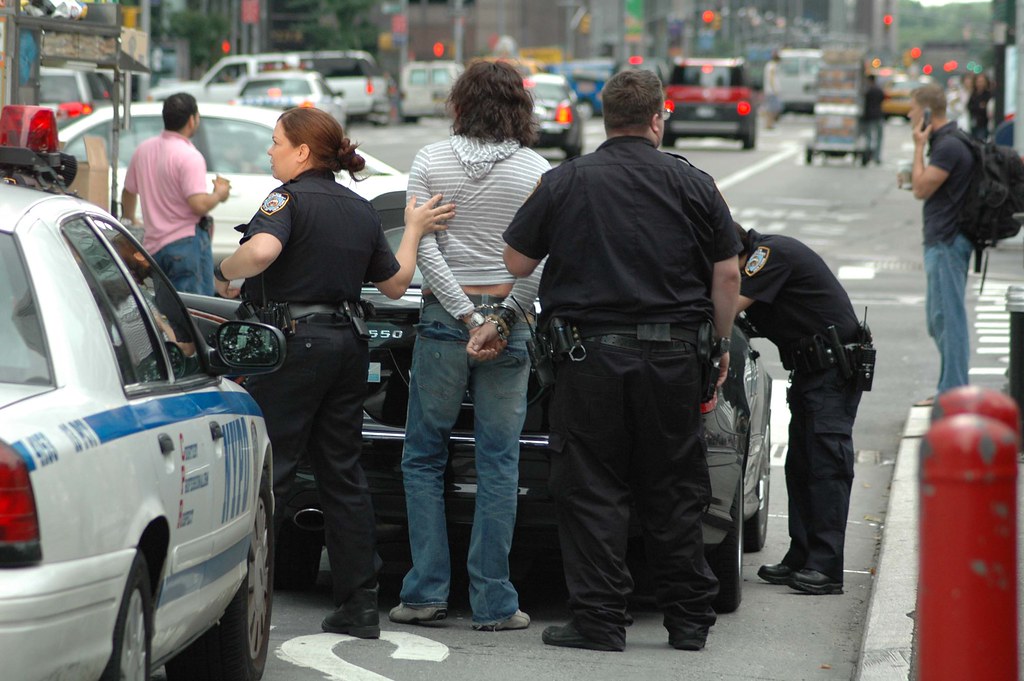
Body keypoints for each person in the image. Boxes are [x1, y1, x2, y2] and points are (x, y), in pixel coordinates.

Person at [503, 68, 741, 652]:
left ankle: (600, 621)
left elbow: (514, 261)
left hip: (590, 359)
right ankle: (688, 621)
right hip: (675, 358)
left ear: (604, 118)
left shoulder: (566, 180)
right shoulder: (696, 184)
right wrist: (718, 345)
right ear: (658, 117)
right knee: (675, 487)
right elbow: (728, 273)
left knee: (591, 488)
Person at [213, 107, 453, 639]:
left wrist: (224, 271)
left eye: (275, 143)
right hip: (349, 346)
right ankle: (360, 603)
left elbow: (263, 250)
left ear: (302, 152)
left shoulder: (286, 200)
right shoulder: (359, 208)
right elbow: (396, 285)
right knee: (343, 474)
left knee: (268, 469)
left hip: (294, 347)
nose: (269, 151)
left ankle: (231, 596)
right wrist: (412, 230)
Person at [388, 59, 550, 633]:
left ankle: (426, 591)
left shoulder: (430, 160)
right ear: (519, 108)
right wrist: (501, 317)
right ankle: (494, 601)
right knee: (499, 460)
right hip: (510, 324)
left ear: (460, 103)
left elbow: (422, 245)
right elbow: (540, 256)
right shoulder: (536, 169)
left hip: (441, 320)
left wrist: (462, 312)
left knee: (424, 453)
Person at [734, 223, 866, 595]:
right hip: (812, 372)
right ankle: (803, 554)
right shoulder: (761, 258)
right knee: (802, 464)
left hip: (831, 371)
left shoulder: (767, 257)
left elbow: (728, 307)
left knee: (826, 466)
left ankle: (826, 568)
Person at [902, 83, 974, 400]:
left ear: (928, 113)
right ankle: (950, 385)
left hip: (948, 241)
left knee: (948, 318)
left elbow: (921, 189)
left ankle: (954, 390)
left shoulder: (948, 146)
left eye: (913, 109)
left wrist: (918, 146)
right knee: (938, 319)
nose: (908, 114)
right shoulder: (947, 143)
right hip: (943, 239)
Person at [121, 93, 230, 295]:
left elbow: (128, 191)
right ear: (192, 119)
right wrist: (219, 194)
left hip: (154, 246)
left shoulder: (144, 149)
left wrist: (131, 219)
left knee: (167, 309)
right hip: (185, 244)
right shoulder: (190, 156)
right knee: (194, 313)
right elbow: (198, 204)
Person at [862, 74, 885, 165]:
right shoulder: (879, 90)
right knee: (879, 137)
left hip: (869, 117)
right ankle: (877, 156)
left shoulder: (867, 91)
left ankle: (868, 155)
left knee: (869, 137)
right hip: (878, 115)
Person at [967, 73, 992, 141]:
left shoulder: (988, 94)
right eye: (978, 82)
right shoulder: (973, 94)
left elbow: (986, 108)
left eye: (982, 82)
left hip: (983, 123)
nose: (980, 84)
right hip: (973, 122)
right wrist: (979, 106)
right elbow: (969, 106)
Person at [763, 50, 782, 129]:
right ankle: (769, 123)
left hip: (769, 90)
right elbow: (771, 78)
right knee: (773, 108)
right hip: (771, 91)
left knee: (770, 108)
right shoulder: (772, 66)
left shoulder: (769, 65)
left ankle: (769, 123)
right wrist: (774, 89)